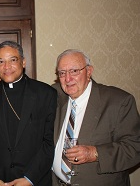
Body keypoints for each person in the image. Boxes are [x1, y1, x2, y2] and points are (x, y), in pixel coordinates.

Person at [0, 41, 57, 186]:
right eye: (1, 62)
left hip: (36, 180)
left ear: (23, 62)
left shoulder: (46, 94)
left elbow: (49, 142)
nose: (7, 67)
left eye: (13, 60)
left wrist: (29, 179)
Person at [52, 49, 140, 186]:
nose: (68, 79)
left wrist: (95, 153)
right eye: (62, 73)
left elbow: (135, 148)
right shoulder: (56, 96)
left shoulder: (118, 101)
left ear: (89, 71)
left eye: (74, 71)